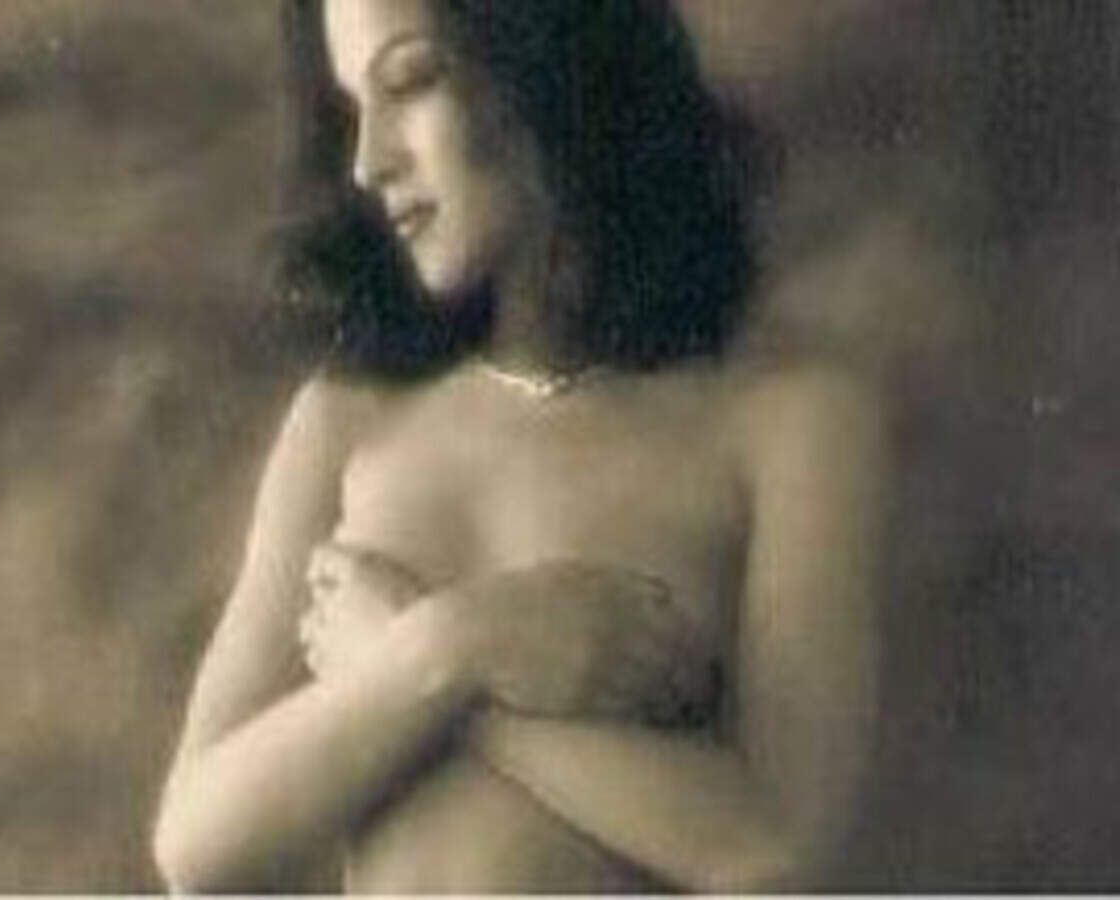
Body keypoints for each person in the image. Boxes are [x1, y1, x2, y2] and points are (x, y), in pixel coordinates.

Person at [153, 0, 891, 892]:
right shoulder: (348, 419)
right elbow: (195, 846)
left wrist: (437, 666)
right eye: (352, 109)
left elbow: (773, 856)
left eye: (411, 81)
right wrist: (451, 647)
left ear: (547, 61)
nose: (369, 162)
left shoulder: (792, 417)